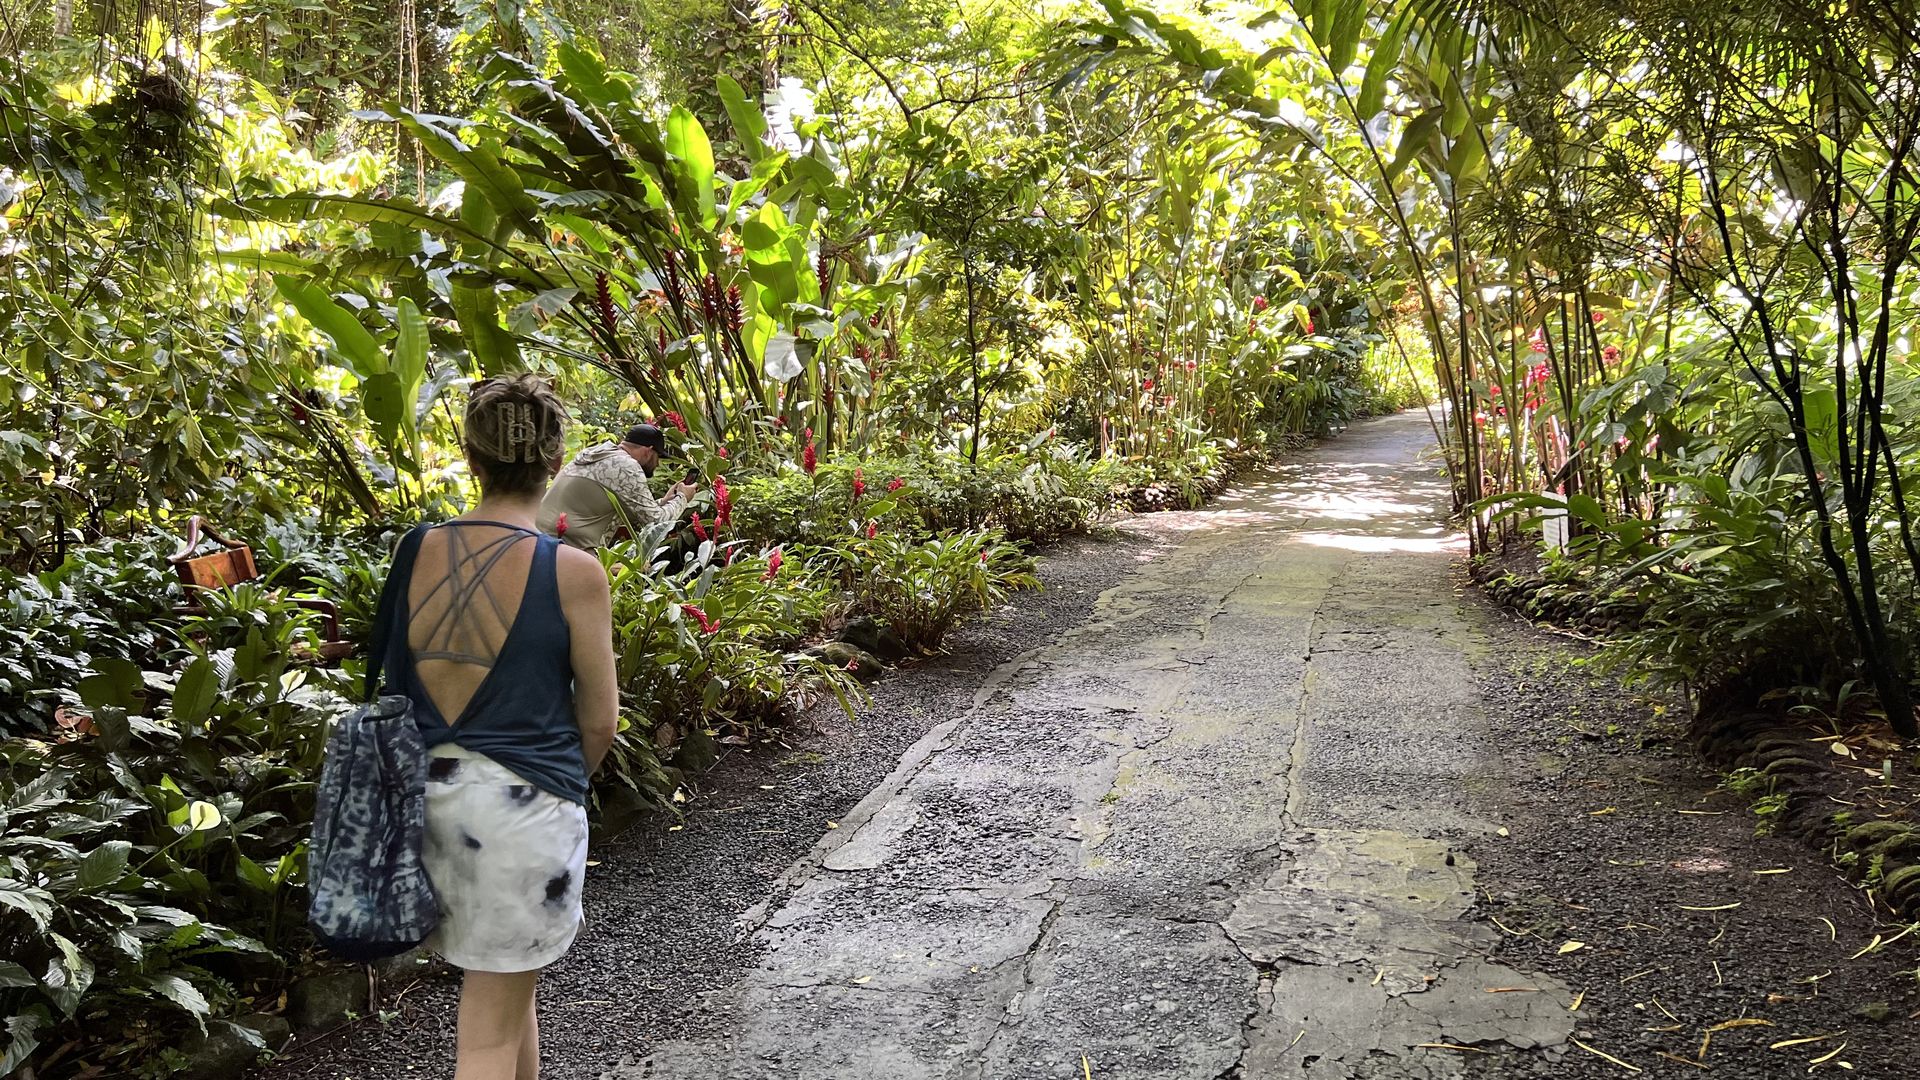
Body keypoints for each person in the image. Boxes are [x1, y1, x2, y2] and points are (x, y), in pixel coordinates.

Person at [378, 375, 619, 1080]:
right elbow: (599, 721)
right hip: (523, 812)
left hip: (429, 805)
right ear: (556, 457)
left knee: (510, 994)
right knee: (484, 1038)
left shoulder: (414, 548)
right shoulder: (571, 570)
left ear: (470, 456)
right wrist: (557, 788)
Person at [537, 424, 699, 550]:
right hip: (566, 551)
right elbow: (655, 522)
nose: (657, 464)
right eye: (658, 457)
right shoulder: (626, 466)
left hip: (541, 541)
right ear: (648, 451)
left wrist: (665, 501)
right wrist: (683, 498)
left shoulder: (597, 455)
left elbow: (641, 512)